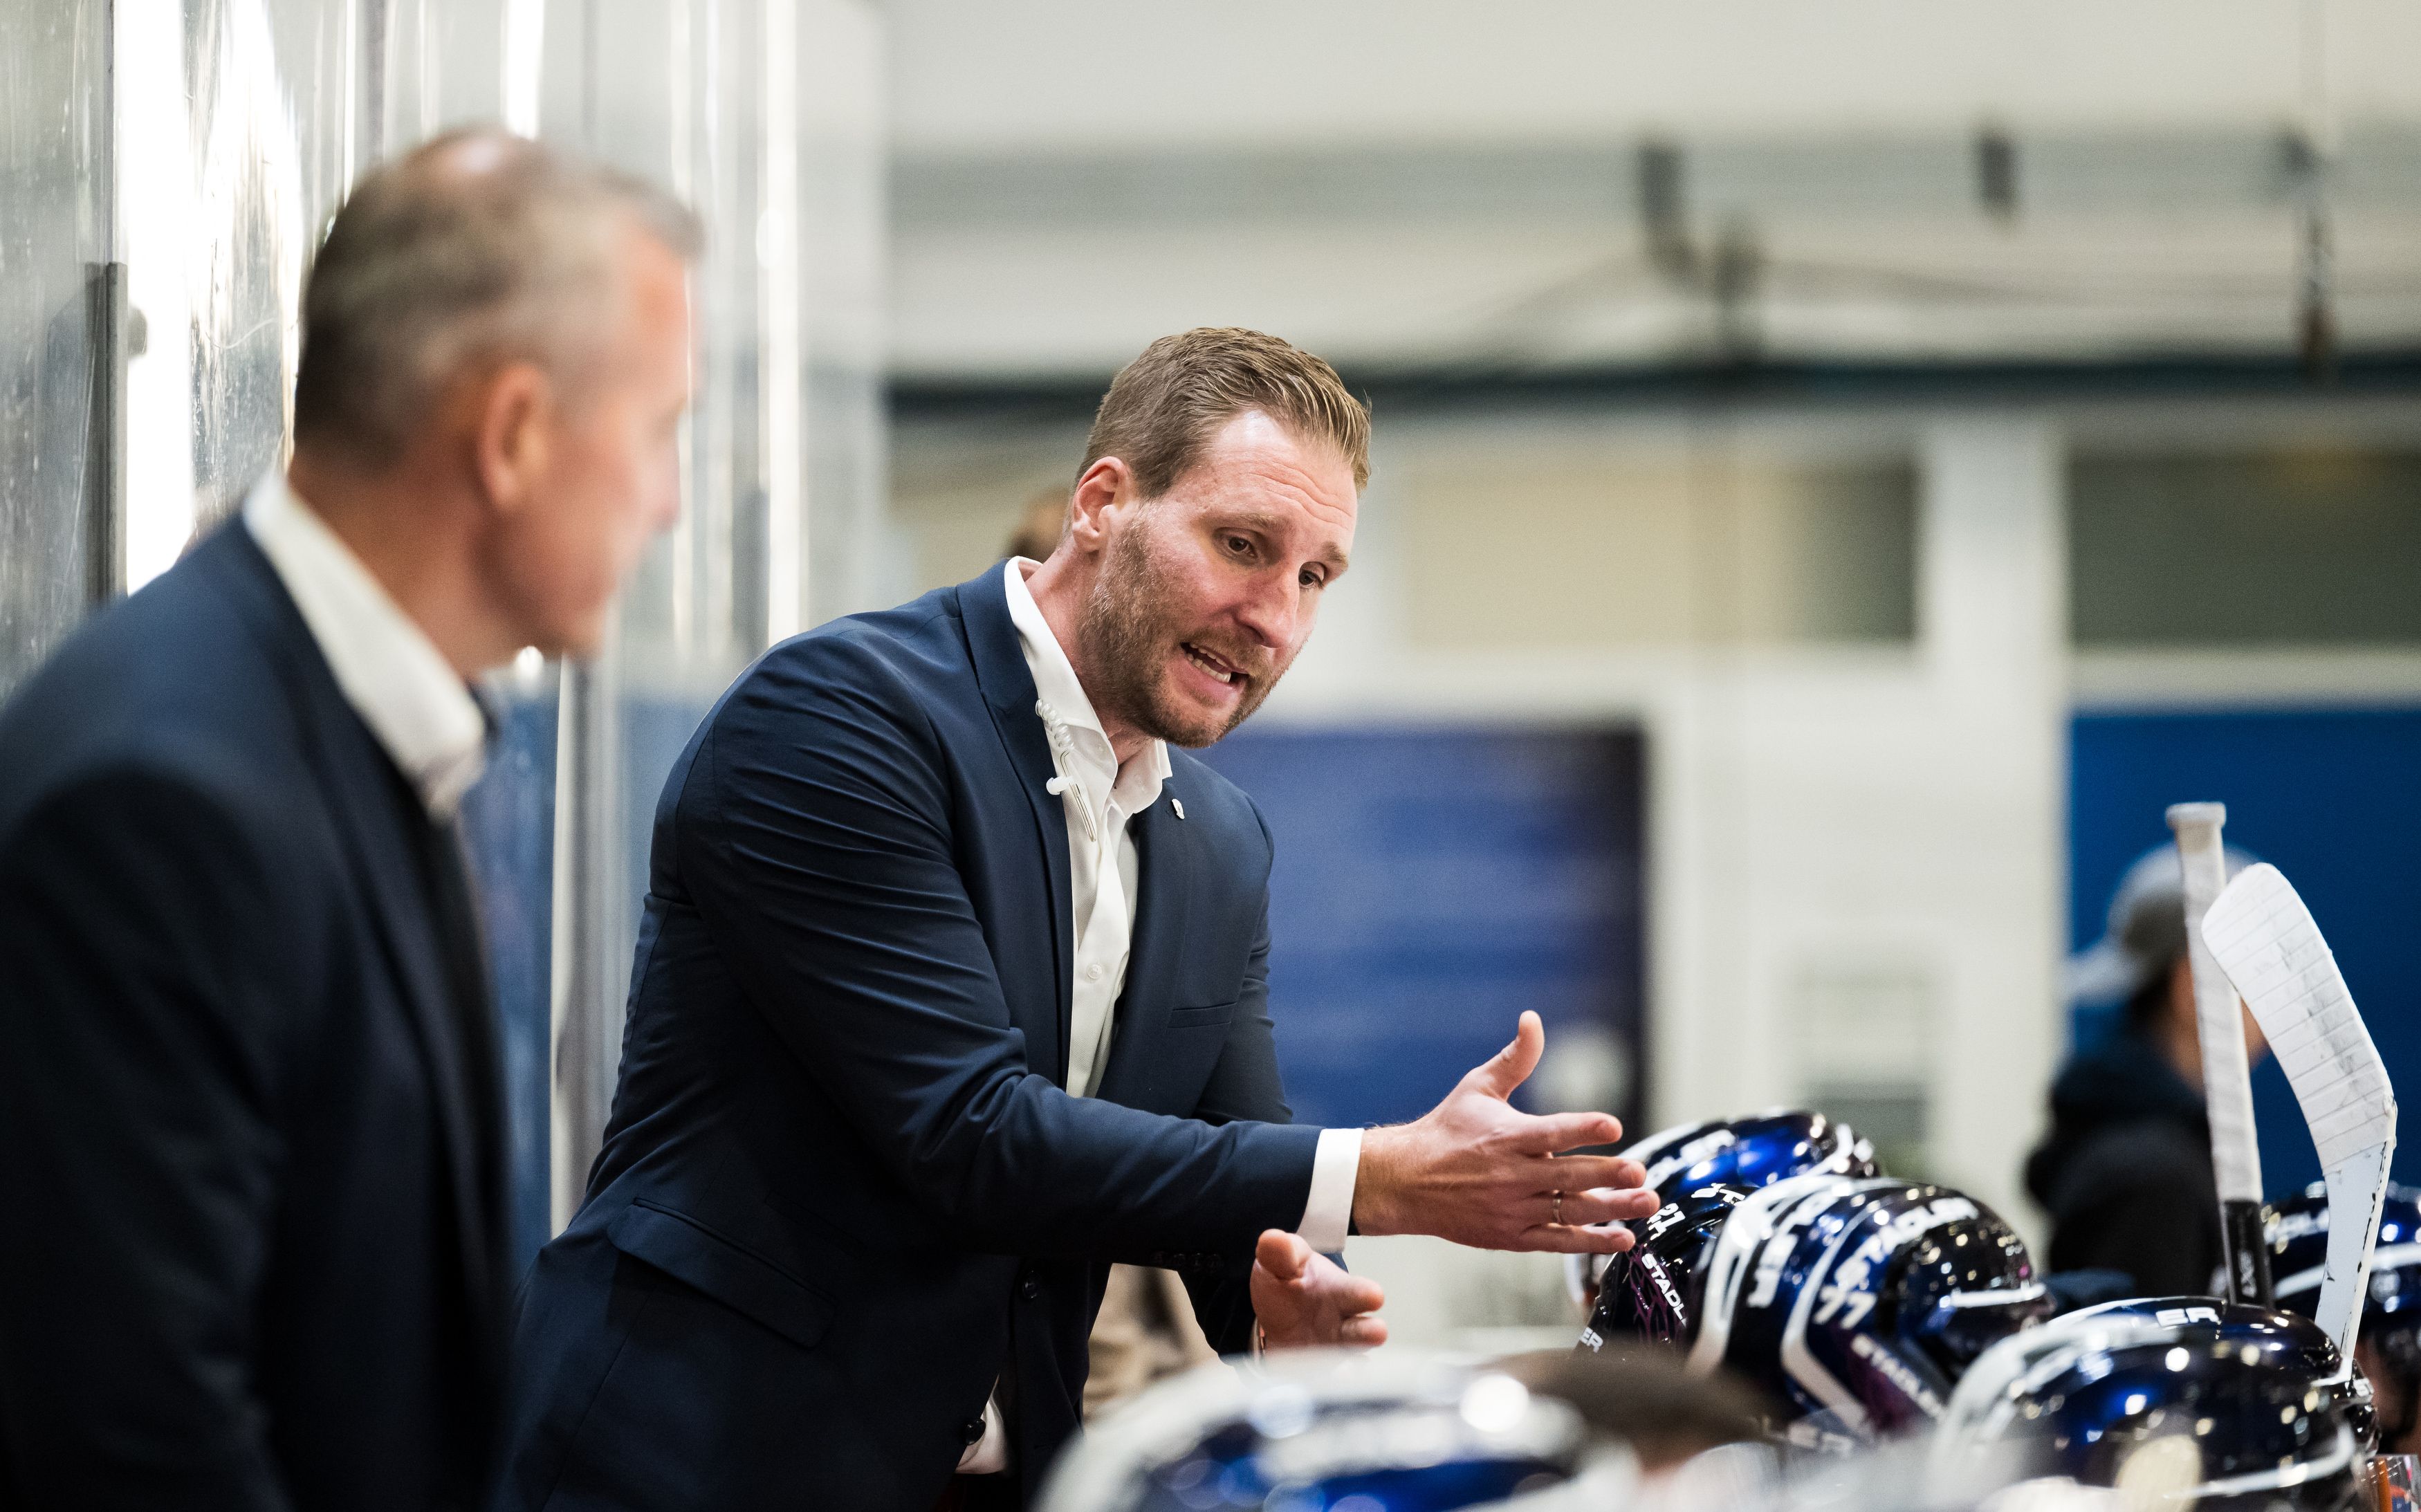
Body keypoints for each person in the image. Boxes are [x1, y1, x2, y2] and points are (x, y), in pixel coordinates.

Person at [498, 327, 1659, 1512]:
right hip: (696, 1459)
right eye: (1244, 546)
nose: (1276, 619)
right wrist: (1385, 1176)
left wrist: (1283, 1306)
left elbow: (1235, 1172)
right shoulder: (839, 720)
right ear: (1104, 502)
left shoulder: (1218, 839)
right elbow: (970, 1132)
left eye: (1315, 576)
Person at [0, 129, 696, 1510]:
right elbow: (136, 1439)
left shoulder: (360, 729)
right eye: (658, 431)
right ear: (510, 435)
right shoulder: (165, 797)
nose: (669, 501)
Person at [2024, 846, 2267, 1295]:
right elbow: (2145, 1362)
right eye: (2257, 980)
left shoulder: (2154, 1156)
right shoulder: (2156, 1183)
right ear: (2194, 987)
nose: (2271, 1018)